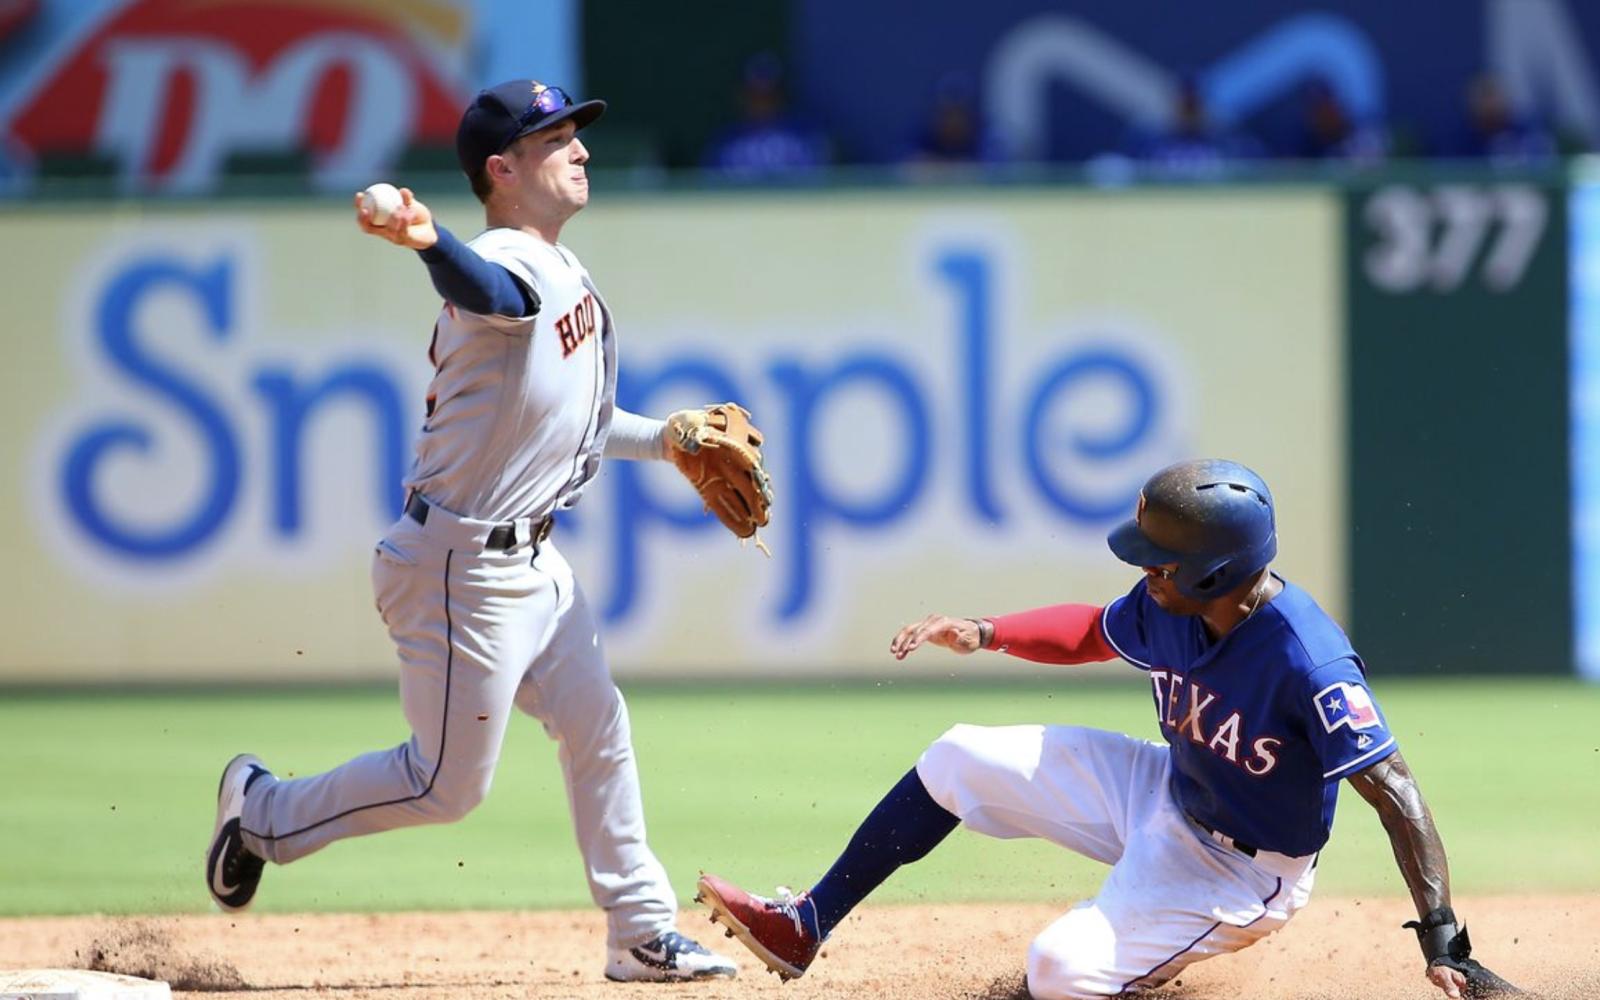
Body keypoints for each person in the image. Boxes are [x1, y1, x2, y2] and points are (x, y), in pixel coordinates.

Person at [204, 78, 740, 983]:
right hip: (461, 569)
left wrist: (667, 442)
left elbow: (567, 421)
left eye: (577, 131)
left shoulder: (557, 262)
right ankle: (259, 811)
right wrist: (426, 240)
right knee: (444, 787)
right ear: (502, 169)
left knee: (598, 726)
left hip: (532, 559)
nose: (580, 149)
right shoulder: (506, 260)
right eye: (555, 138)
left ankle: (641, 930)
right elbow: (486, 287)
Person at [697, 459, 1517, 998]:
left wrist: (1442, 936)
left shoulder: (1308, 660)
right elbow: (1092, 631)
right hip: (1166, 786)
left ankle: (1140, 955)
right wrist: (985, 631)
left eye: (1158, 562)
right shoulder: (1177, 605)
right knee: (958, 757)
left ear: (1214, 573)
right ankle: (808, 923)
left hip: (1240, 874)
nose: (1143, 573)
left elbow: (1395, 789)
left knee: (1055, 969)